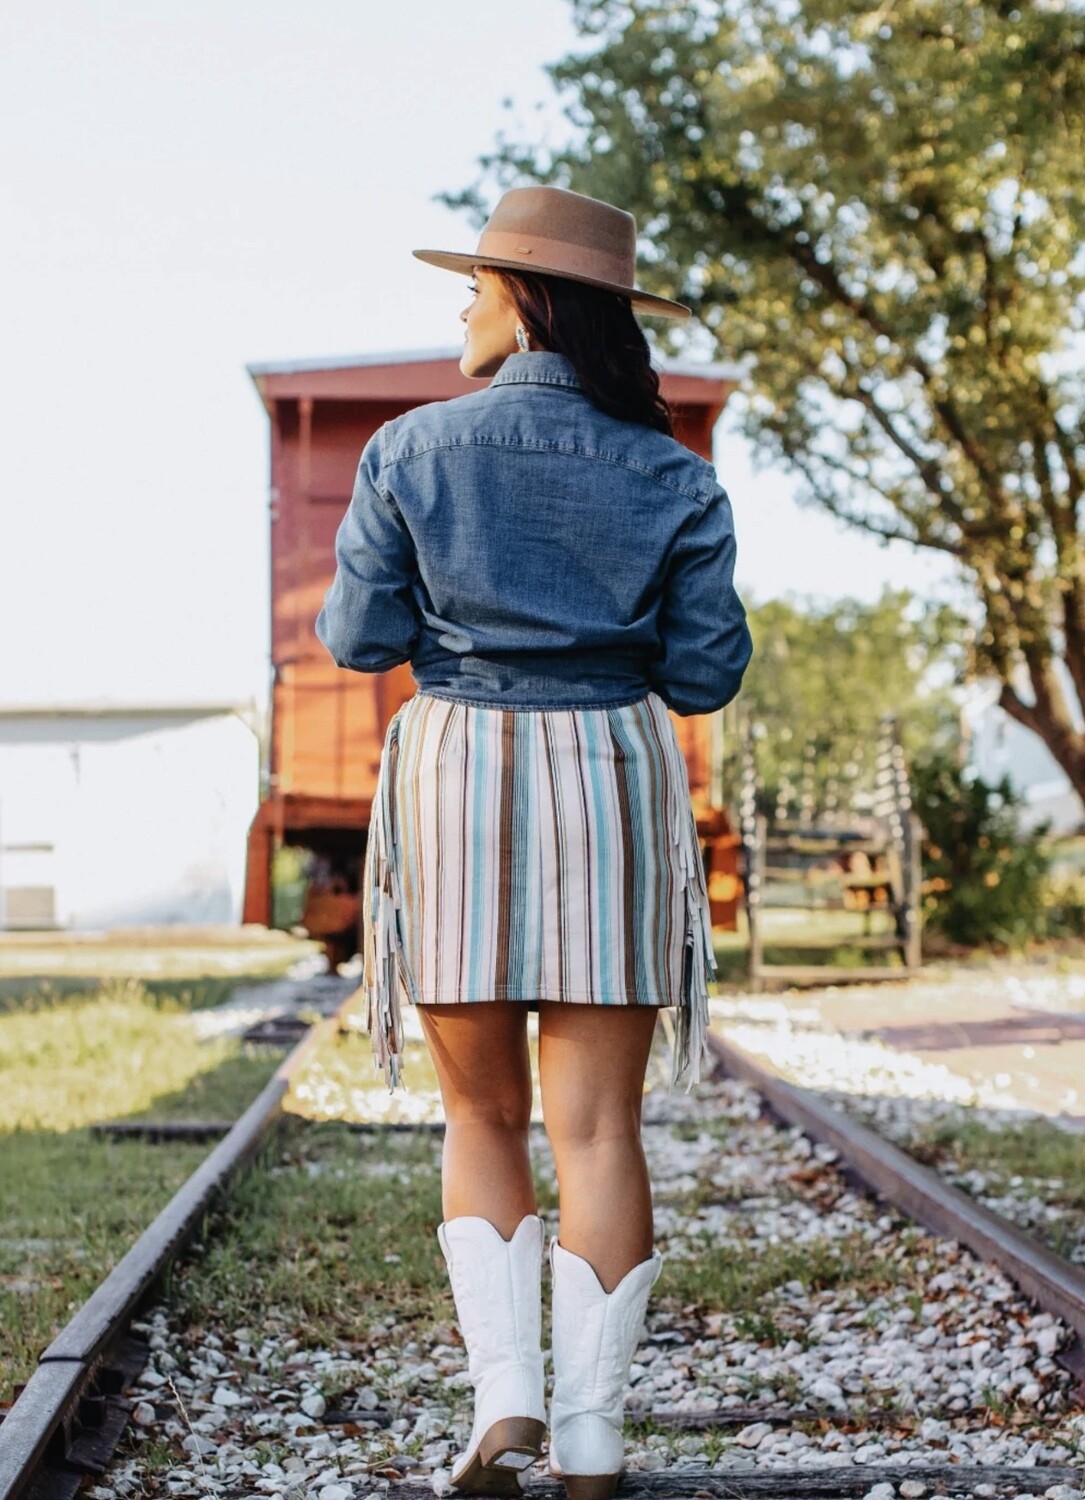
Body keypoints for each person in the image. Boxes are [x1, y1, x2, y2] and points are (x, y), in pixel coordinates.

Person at [316, 185, 752, 1500]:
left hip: (456, 770)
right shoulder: (675, 472)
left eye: (471, 284)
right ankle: (595, 1435)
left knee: (480, 1110)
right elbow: (704, 675)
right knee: (601, 1130)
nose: (459, 307)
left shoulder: (408, 450)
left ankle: (504, 1405)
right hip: (609, 771)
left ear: (519, 298)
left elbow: (355, 641)